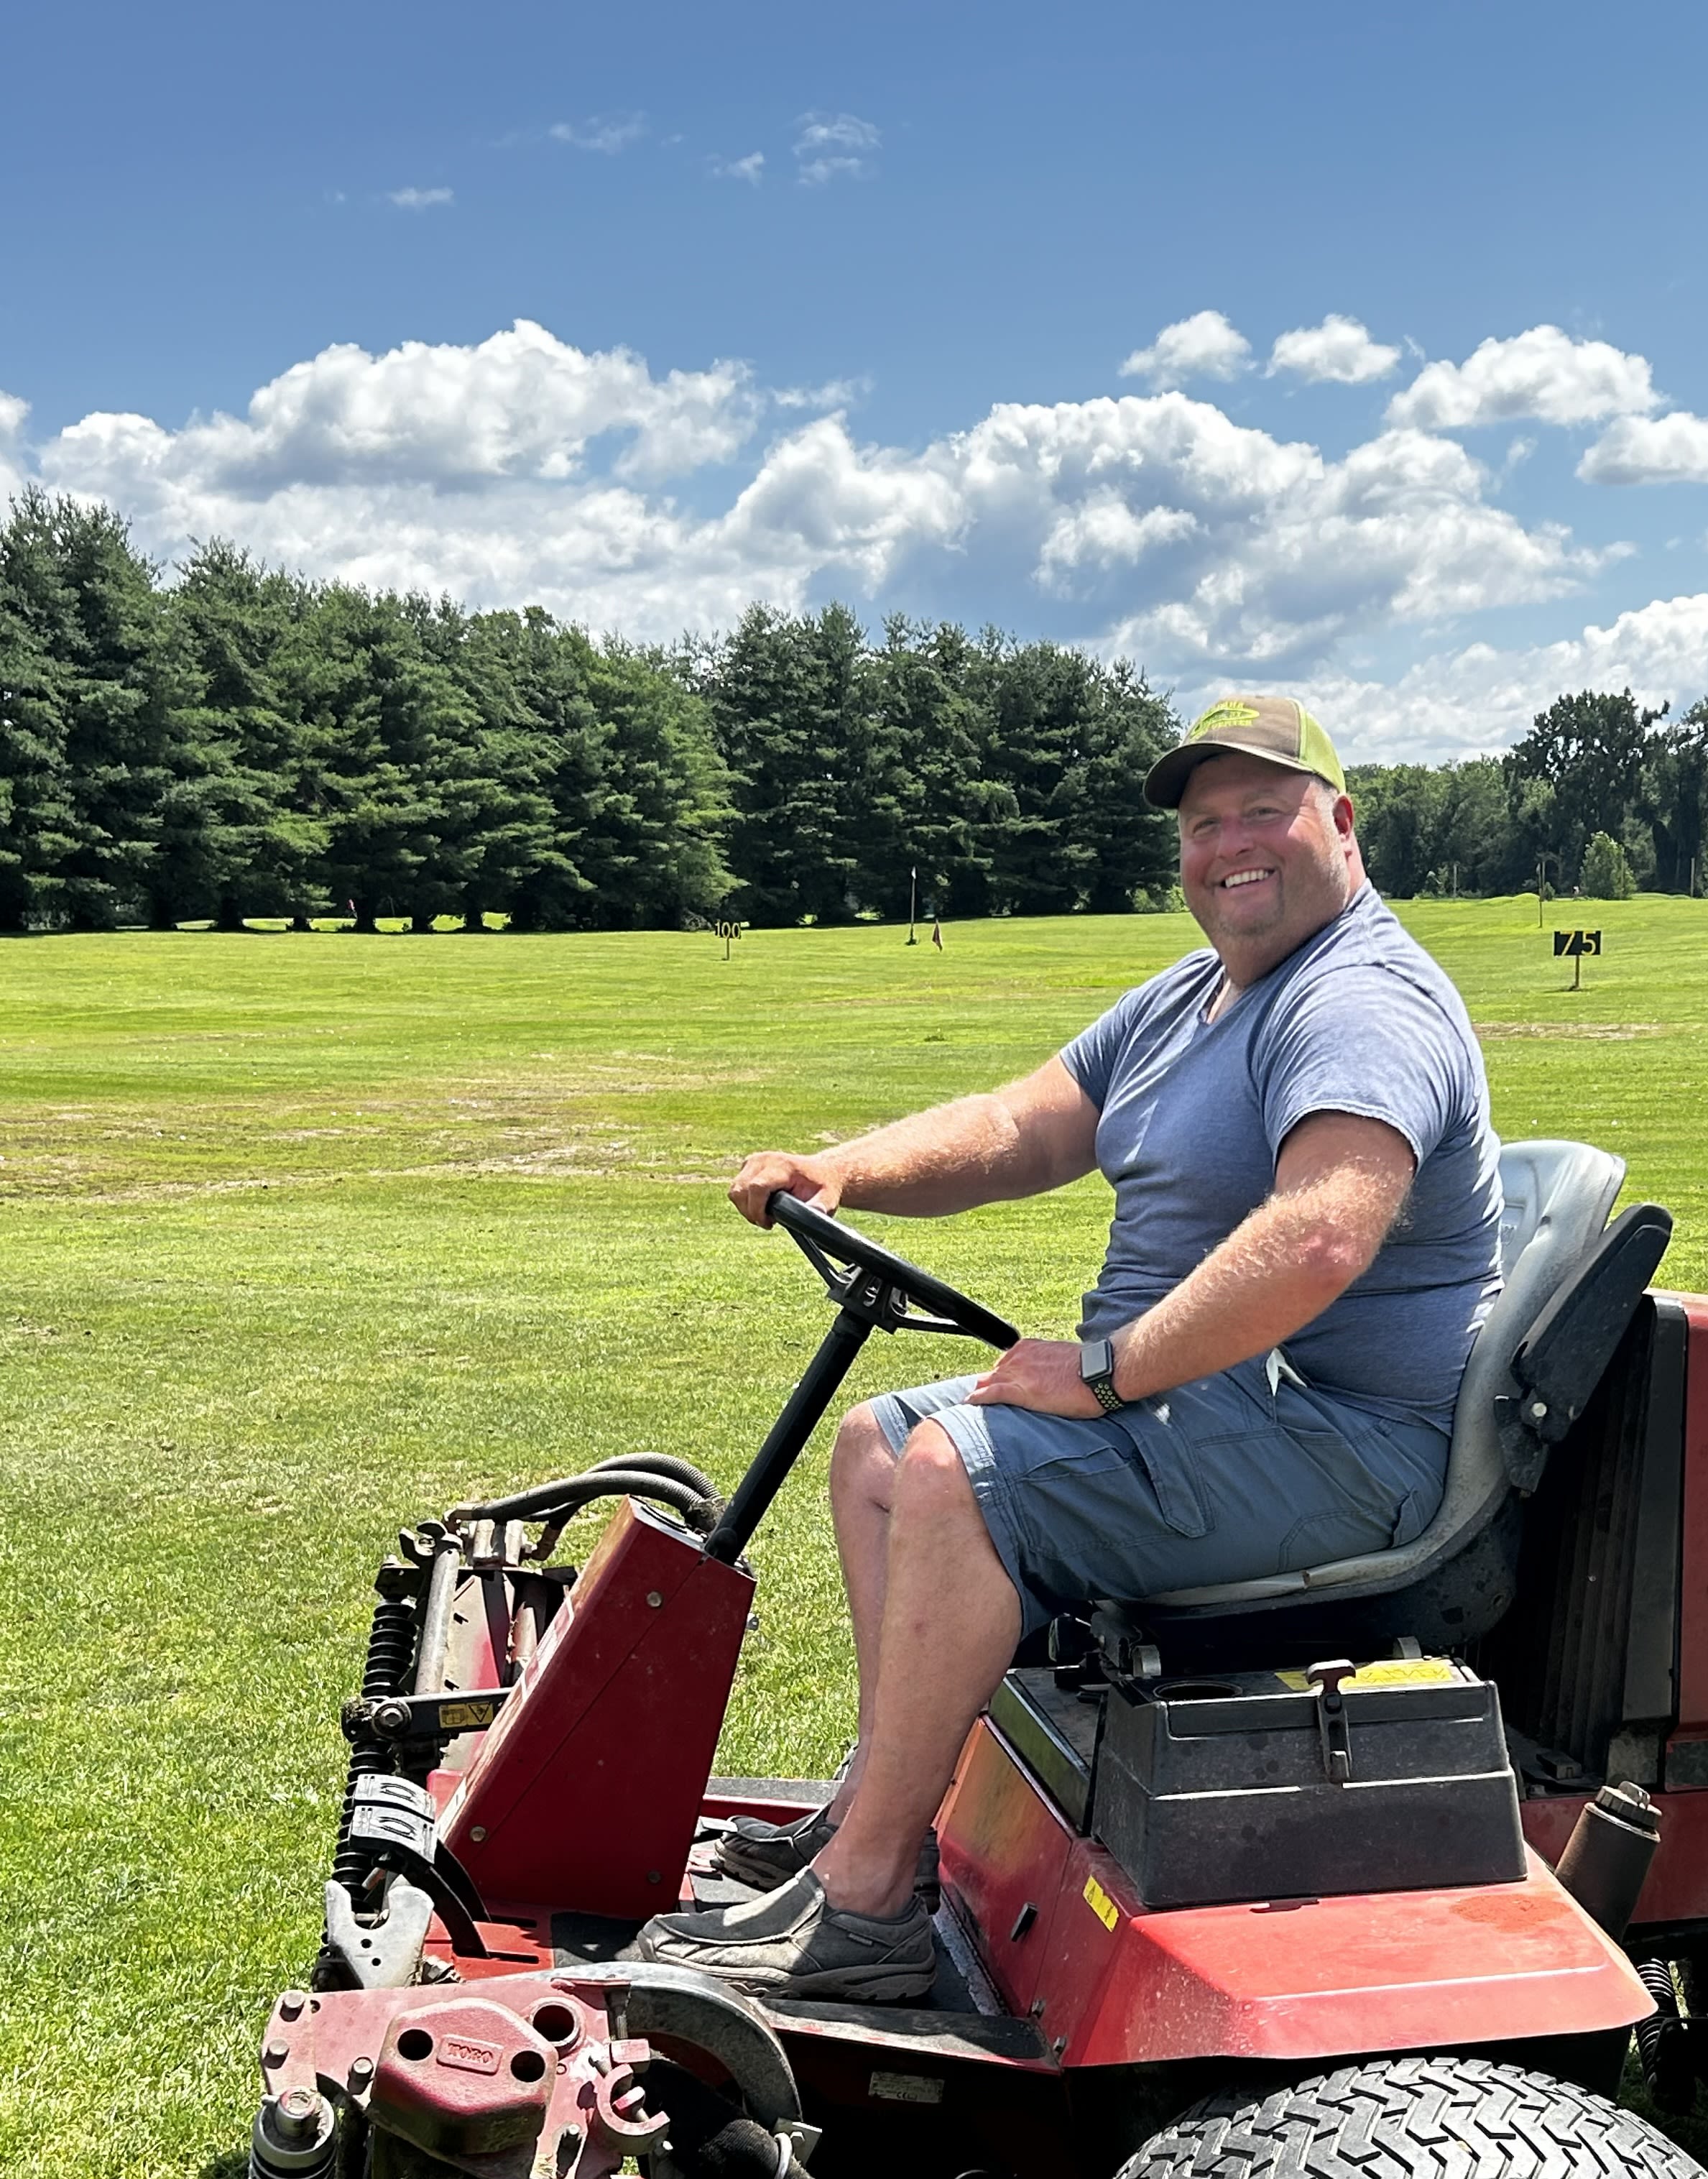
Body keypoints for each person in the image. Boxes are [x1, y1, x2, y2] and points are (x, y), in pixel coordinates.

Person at [636, 694, 1502, 1999]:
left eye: (1263, 810)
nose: (1230, 845)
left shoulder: (1360, 1002)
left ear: (1341, 822)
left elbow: (1324, 1236)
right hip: (1221, 1412)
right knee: (880, 1446)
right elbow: (1020, 1126)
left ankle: (866, 1911)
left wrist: (1107, 1372)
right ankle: (874, 1828)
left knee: (952, 1476)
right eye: (1205, 824)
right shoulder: (1193, 999)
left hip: (1344, 1441)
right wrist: (845, 1173)